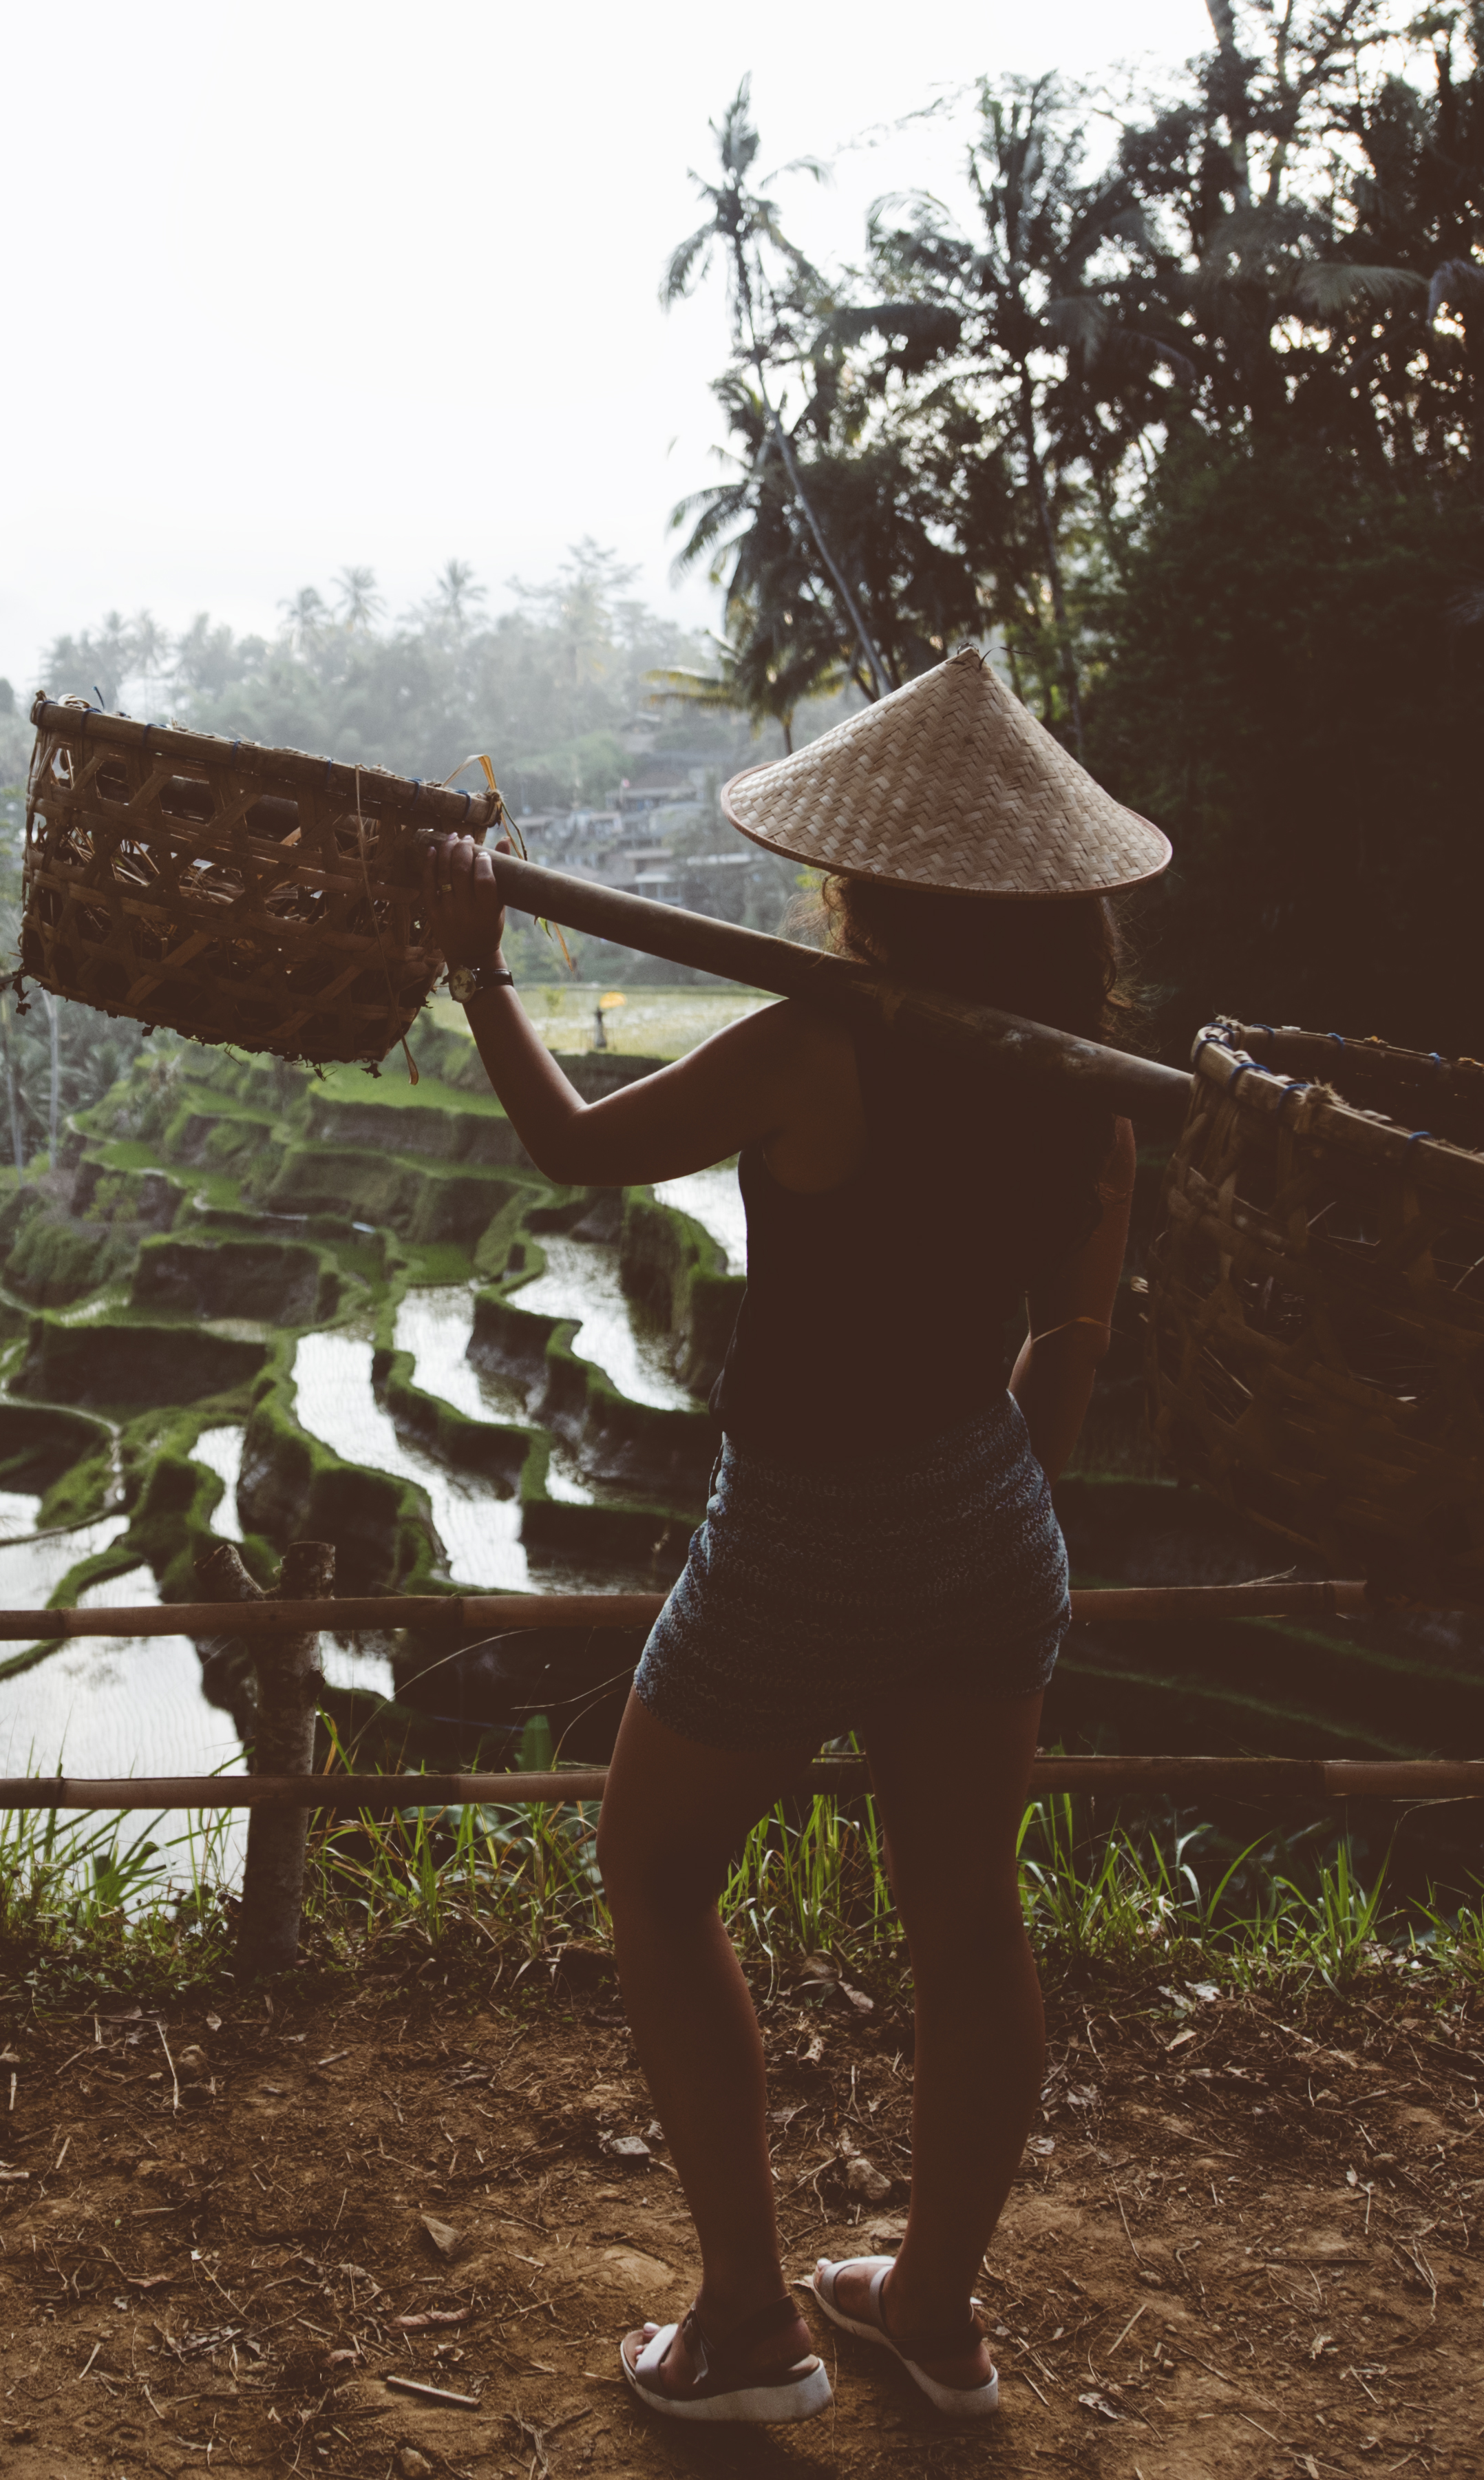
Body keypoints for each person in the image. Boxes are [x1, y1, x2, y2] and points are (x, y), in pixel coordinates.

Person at [423, 653, 1167, 2426]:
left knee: (658, 1878)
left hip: (805, 1527)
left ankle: (751, 2323)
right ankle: (933, 2310)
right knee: (971, 1924)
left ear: (873, 876)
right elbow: (1074, 1335)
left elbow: (572, 1145)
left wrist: (476, 973)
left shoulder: (816, 1042)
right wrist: (1007, 1500)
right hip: (987, 1513)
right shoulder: (1093, 1084)